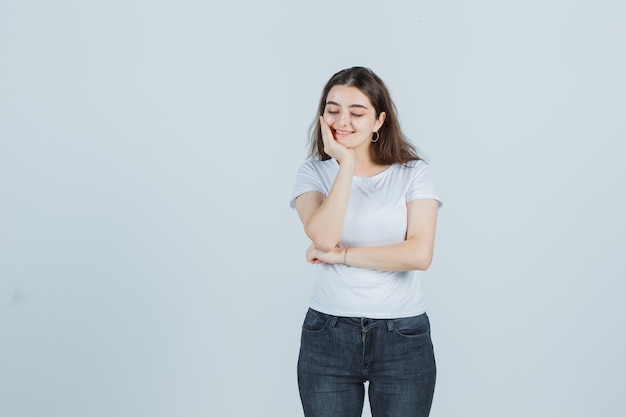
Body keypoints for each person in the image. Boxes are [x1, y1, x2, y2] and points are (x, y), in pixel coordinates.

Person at [289, 66, 442, 417]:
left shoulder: (412, 173)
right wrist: (345, 163)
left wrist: (340, 256)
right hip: (328, 333)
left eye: (357, 113)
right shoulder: (313, 173)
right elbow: (323, 236)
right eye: (333, 110)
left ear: (379, 121)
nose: (343, 120)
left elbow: (419, 254)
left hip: (402, 335)